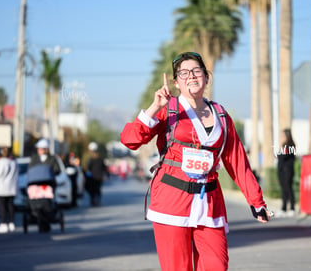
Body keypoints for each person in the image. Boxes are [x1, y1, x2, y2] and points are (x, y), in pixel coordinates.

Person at [121, 52, 271, 271]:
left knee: (216, 265)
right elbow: (131, 140)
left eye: (196, 71)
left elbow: (237, 160)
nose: (190, 76)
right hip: (171, 201)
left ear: (206, 77)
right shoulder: (169, 110)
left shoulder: (221, 115)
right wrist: (155, 106)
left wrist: (256, 201)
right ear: (176, 82)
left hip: (209, 203)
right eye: (183, 73)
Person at [27, 139, 60, 233]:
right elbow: (30, 170)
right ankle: (35, 212)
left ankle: (50, 213)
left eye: (41, 149)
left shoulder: (52, 159)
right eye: (38, 149)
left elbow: (56, 170)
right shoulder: (34, 159)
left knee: (49, 199)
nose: (39, 150)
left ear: (45, 149)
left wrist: (52, 173)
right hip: (36, 184)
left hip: (48, 183)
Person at [0, 147, 19, 233]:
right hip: (12, 188)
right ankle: (11, 223)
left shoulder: (1, 162)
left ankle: (3, 224)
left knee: (2, 206)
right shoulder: (14, 162)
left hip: (2, 188)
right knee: (10, 206)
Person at [276, 129, 296, 218]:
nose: (282, 138)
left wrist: (280, 153)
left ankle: (292, 208)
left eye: (283, 136)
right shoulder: (284, 146)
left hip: (287, 170)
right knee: (284, 189)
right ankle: (283, 208)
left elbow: (282, 156)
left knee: (288, 188)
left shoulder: (290, 146)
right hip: (281, 170)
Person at [85, 142, 108, 207]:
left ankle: (97, 201)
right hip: (93, 178)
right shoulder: (91, 159)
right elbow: (88, 167)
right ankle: (93, 200)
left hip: (98, 177)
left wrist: (106, 174)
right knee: (93, 190)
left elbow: (104, 167)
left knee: (97, 190)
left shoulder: (99, 160)